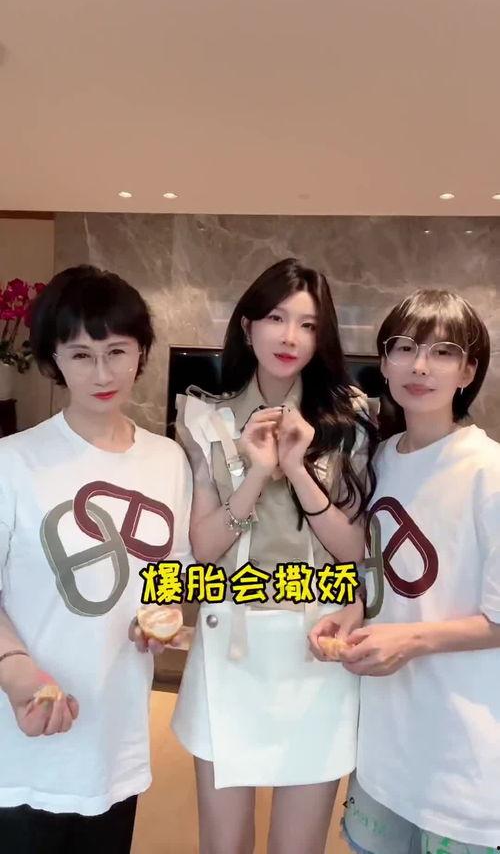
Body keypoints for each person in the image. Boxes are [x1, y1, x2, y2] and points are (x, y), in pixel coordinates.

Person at [171, 258, 377, 854]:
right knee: (224, 845)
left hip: (316, 644)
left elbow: (352, 549)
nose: (290, 337)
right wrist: (256, 473)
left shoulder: (349, 421)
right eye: (276, 319)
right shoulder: (204, 417)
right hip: (228, 641)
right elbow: (204, 549)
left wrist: (297, 469)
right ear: (247, 326)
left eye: (308, 325)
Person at [0, 265, 192, 853]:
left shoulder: (169, 460)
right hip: (24, 740)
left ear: (141, 354)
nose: (103, 373)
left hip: (114, 740)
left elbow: (172, 569)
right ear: (54, 360)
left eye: (117, 352)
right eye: (81, 355)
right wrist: (17, 674)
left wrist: (163, 617)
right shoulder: (13, 461)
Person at [310, 288, 500, 854]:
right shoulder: (381, 459)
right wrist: (349, 614)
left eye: (443, 353)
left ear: (468, 372)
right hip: (383, 753)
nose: (420, 366)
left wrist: (411, 640)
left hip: (464, 761)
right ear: (384, 362)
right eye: (405, 348)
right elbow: (377, 571)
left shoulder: (488, 473)